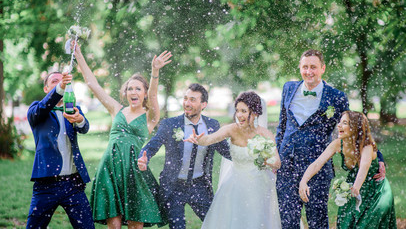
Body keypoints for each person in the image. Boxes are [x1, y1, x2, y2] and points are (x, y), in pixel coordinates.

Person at [275, 49, 386, 228]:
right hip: (286, 167)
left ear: (323, 68)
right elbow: (281, 127)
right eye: (305, 67)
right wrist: (276, 156)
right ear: (299, 68)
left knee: (317, 222)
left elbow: (357, 130)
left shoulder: (336, 97)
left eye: (313, 67)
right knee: (287, 221)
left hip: (318, 168)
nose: (309, 71)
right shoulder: (288, 88)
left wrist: (378, 157)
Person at [74, 44, 172, 228]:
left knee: (135, 225)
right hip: (110, 168)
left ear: (143, 93)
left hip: (134, 171)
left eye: (137, 89)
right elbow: (93, 84)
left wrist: (155, 71)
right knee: (115, 225)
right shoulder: (116, 109)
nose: (133, 92)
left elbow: (153, 95)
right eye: (129, 89)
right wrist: (78, 54)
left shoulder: (151, 116)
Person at [137, 83, 231, 229]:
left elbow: (226, 151)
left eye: (193, 100)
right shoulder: (170, 124)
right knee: (177, 226)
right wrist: (144, 157)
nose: (187, 103)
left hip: (200, 185)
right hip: (174, 186)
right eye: (185, 98)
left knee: (215, 223)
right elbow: (153, 145)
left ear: (204, 104)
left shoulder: (212, 125)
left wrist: (247, 158)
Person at [185, 91, 282, 229]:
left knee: (256, 221)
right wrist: (199, 140)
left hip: (258, 186)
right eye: (237, 110)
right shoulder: (232, 129)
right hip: (235, 184)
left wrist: (265, 160)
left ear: (254, 112)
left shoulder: (266, 134)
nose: (239, 115)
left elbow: (277, 162)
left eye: (244, 111)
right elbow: (209, 139)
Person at [299, 111, 397, 228]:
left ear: (356, 127)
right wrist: (303, 181)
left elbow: (364, 168)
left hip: (375, 190)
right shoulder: (337, 144)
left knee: (367, 226)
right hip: (353, 187)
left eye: (344, 123)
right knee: (345, 224)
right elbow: (317, 164)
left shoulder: (367, 146)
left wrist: (355, 189)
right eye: (340, 122)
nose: (339, 125)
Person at [26, 71, 95, 229]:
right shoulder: (38, 109)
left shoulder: (73, 109)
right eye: (55, 81)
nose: (61, 83)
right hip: (46, 184)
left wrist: (80, 120)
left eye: (64, 81)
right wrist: (60, 86)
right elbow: (42, 108)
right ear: (46, 89)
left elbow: (84, 128)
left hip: (73, 184)